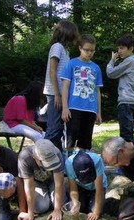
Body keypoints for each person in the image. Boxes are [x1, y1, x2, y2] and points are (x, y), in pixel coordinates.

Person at [60, 34, 103, 151]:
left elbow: (97, 90)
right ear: (80, 48)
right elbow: (65, 86)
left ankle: (81, 165)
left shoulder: (96, 68)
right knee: (70, 140)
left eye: (92, 50)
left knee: (85, 143)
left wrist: (98, 112)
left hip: (90, 109)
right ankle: (67, 165)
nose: (89, 53)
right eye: (87, 50)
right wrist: (65, 107)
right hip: (74, 108)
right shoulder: (71, 64)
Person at [43, 20, 79, 152]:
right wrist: (57, 94)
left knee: (58, 129)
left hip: (59, 93)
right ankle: (45, 157)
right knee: (53, 129)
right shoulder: (57, 47)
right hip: (54, 93)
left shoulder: (64, 50)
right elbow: (52, 71)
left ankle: (57, 161)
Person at [16, 139, 67, 220]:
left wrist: (57, 209)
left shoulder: (56, 153)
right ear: (34, 157)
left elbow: (58, 183)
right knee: (40, 207)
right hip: (37, 183)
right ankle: (49, 199)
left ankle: (52, 200)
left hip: (53, 181)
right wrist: (30, 213)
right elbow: (29, 186)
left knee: (62, 203)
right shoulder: (24, 158)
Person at [106, 34, 134, 142]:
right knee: (129, 133)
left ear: (131, 48)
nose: (119, 51)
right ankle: (132, 157)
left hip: (126, 102)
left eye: (122, 48)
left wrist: (112, 61)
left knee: (126, 137)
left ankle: (129, 158)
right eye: (118, 48)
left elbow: (111, 73)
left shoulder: (130, 61)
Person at [64, 150, 107, 220]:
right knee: (79, 209)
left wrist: (96, 212)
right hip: (81, 187)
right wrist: (75, 203)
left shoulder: (97, 160)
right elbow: (73, 189)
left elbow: (99, 190)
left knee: (95, 213)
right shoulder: (69, 164)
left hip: (97, 188)